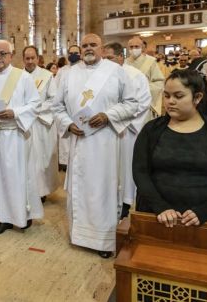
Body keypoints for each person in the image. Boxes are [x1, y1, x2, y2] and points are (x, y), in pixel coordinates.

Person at [53, 34, 137, 258]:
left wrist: (108, 116)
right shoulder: (68, 74)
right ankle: (79, 235)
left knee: (103, 190)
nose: (88, 49)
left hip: (105, 142)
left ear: (101, 48)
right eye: (85, 45)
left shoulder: (116, 72)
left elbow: (132, 103)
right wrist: (68, 124)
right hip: (79, 141)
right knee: (80, 188)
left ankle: (103, 240)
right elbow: (56, 106)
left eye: (93, 45)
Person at [133, 69, 207, 227]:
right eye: (166, 95)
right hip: (158, 213)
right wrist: (161, 207)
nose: (170, 101)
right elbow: (141, 172)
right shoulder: (151, 130)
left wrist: (206, 211)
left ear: (197, 97)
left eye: (178, 96)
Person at [0, 40, 43, 235]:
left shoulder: (22, 77)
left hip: (16, 135)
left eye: (2, 54)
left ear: (11, 56)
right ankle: (3, 218)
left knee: (19, 177)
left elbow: (35, 104)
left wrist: (14, 112)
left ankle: (23, 216)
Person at [103, 42, 152, 219]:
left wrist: (120, 122)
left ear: (120, 57)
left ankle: (124, 203)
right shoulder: (100, 76)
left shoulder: (135, 75)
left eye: (110, 58)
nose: (106, 61)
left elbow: (143, 103)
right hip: (104, 130)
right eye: (104, 58)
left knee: (124, 168)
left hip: (125, 131)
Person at [23, 46, 58, 203]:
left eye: (32, 58)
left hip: (41, 123)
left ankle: (42, 190)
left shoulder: (47, 76)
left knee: (41, 158)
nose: (30, 61)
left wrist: (36, 109)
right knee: (26, 158)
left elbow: (54, 100)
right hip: (24, 123)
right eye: (27, 58)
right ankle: (28, 189)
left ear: (38, 58)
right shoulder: (17, 77)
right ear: (23, 59)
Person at [55, 45, 82, 172]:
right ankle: (64, 162)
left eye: (76, 53)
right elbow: (56, 88)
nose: (73, 55)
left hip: (78, 106)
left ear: (80, 54)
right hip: (64, 107)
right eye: (71, 53)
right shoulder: (63, 70)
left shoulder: (83, 69)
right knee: (65, 137)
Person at [126, 36, 165, 117]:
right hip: (128, 102)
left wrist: (142, 90)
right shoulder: (125, 63)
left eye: (136, 46)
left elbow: (159, 81)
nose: (134, 49)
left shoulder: (150, 62)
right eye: (131, 47)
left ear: (142, 48)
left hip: (145, 102)